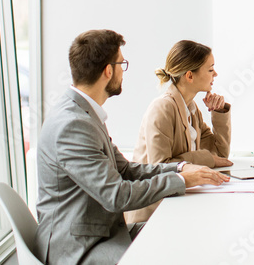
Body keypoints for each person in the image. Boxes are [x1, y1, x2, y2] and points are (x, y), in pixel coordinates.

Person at [35, 30, 227, 265]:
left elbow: (125, 170)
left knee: (187, 237)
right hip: (79, 247)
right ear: (108, 70)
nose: (123, 72)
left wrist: (180, 169)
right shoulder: (73, 124)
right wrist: (183, 180)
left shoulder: (84, 114)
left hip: (103, 232)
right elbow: (116, 195)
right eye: (121, 64)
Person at [125, 40, 232, 224]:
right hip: (151, 216)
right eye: (210, 69)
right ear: (190, 76)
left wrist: (219, 111)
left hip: (178, 205)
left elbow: (220, 154)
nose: (215, 74)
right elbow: (160, 167)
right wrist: (207, 159)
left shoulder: (191, 108)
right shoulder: (162, 108)